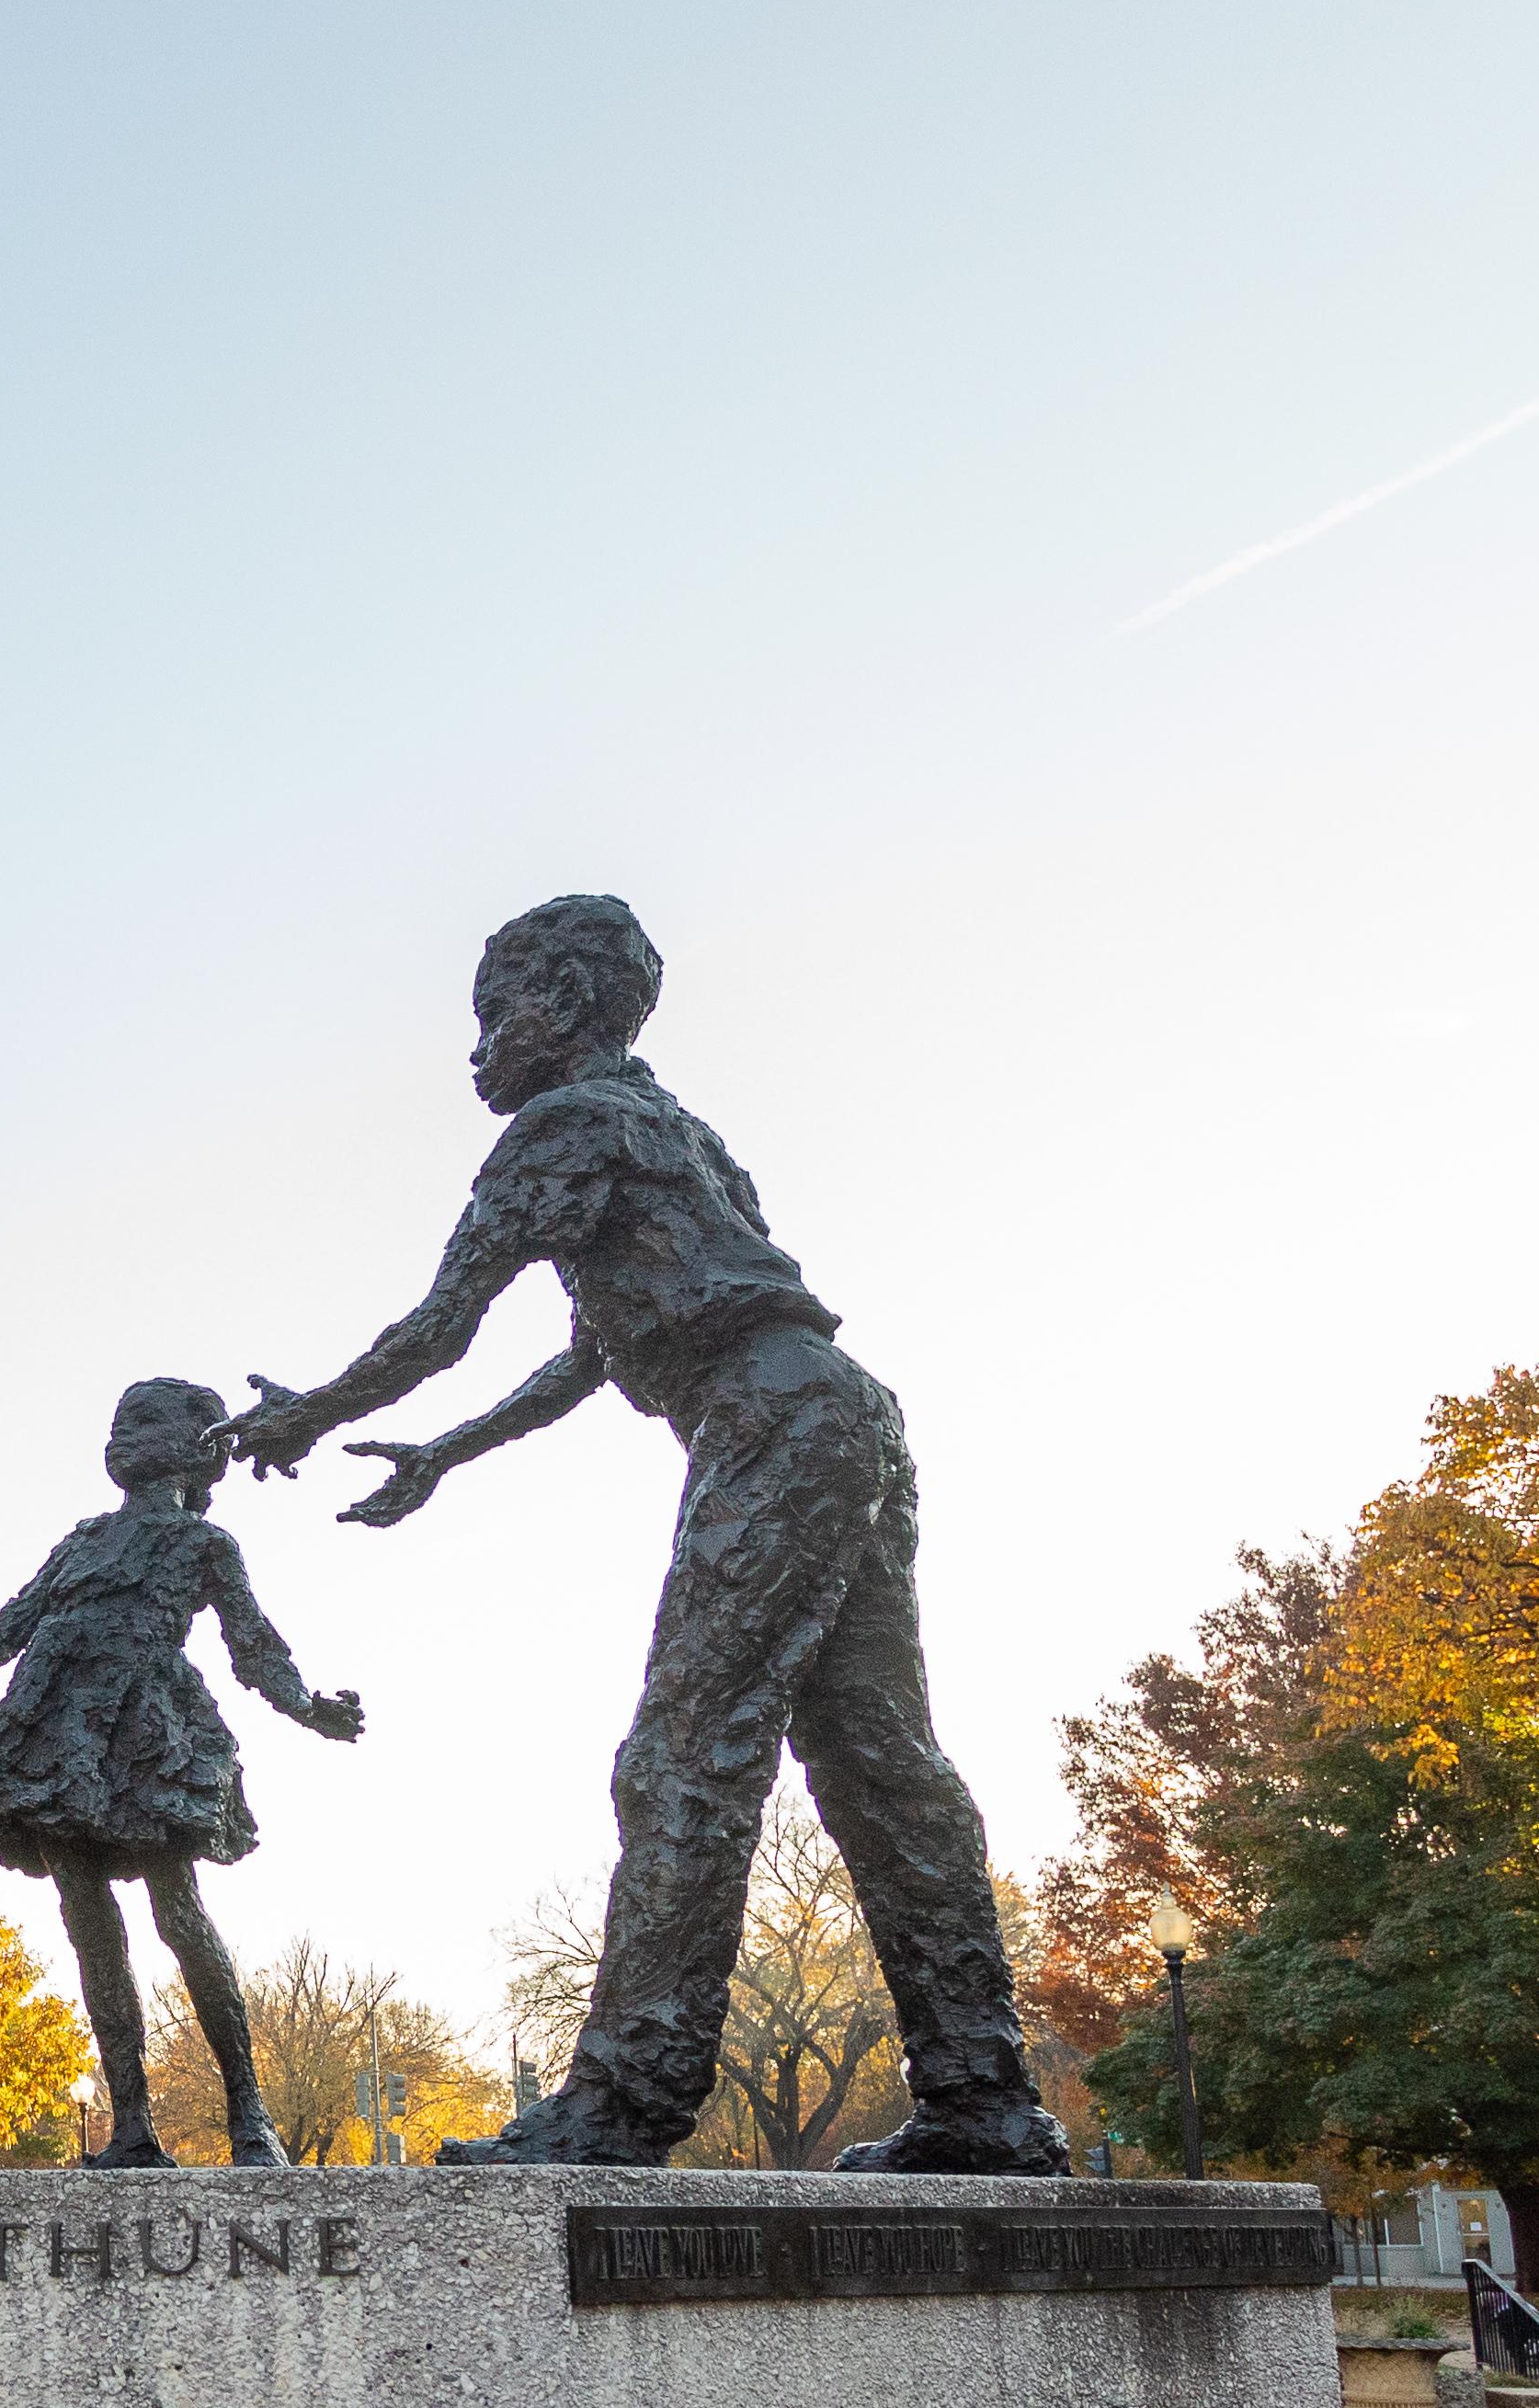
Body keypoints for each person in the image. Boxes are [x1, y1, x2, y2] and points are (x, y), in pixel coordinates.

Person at [223, 895, 1064, 2174]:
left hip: (774, 1420)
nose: (480, 1047)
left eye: (497, 1010)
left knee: (682, 1757)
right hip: (842, 1412)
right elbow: (588, 1354)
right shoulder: (677, 1134)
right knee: (883, 1764)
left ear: (561, 1003)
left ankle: (624, 2101)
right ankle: (986, 2102)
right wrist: (443, 1454)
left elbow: (445, 1319)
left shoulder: (563, 1126)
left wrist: (314, 1414)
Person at [0, 1376, 364, 2168]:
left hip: (144, 1732)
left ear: (199, 1449)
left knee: (179, 1912)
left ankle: (249, 2113)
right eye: (117, 1422)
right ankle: (131, 2124)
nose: (121, 1435)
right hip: (56, 1733)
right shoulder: (80, 1540)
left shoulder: (204, 1545)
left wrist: (309, 1705)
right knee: (90, 1926)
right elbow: (2, 1636)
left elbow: (254, 1645)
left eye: (142, 1421)